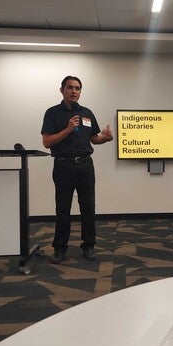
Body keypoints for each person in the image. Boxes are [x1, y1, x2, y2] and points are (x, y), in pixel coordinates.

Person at [41, 75, 113, 264]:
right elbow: (47, 142)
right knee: (63, 208)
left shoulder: (87, 113)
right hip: (63, 165)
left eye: (78, 88)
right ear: (62, 90)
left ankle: (88, 246)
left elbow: (94, 139)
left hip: (85, 166)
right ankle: (59, 248)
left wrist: (105, 137)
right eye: (70, 87)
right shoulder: (52, 113)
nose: (74, 91)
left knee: (88, 207)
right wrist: (67, 129)